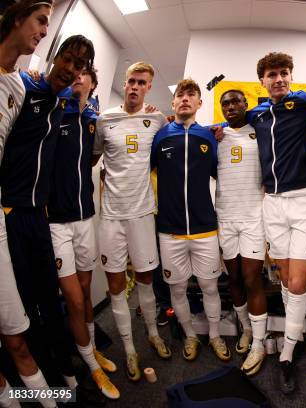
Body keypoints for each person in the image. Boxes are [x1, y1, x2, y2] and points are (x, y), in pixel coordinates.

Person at [0, 33, 94, 403]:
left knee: (50, 301)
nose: (70, 70)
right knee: (24, 310)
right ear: (54, 58)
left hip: (40, 217)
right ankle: (39, 384)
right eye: (67, 60)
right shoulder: (25, 90)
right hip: (10, 214)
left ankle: (66, 376)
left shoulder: (65, 105)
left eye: (79, 66)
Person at [247, 52, 306, 394]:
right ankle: (300, 325)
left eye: (284, 73)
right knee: (284, 276)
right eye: (272, 74)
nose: (279, 79)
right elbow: (230, 123)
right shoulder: (257, 113)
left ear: (291, 77)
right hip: (274, 204)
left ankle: (288, 353)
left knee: (297, 283)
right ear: (262, 82)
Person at [93, 62, 171, 382]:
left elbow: (169, 149)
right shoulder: (104, 119)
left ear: (148, 87)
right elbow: (94, 158)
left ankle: (153, 332)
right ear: (124, 84)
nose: (135, 87)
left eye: (142, 83)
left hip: (141, 215)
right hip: (111, 216)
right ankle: (129, 349)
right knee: (115, 287)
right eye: (131, 82)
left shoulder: (156, 119)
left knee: (146, 281)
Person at [47, 67, 119, 400]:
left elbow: (91, 160)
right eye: (72, 73)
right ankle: (90, 364)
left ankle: (91, 350)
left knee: (87, 290)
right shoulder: (54, 108)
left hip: (84, 217)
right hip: (55, 222)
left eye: (83, 74)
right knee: (74, 300)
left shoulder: (93, 119)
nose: (77, 78)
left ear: (92, 82)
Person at [151, 78, 230, 363]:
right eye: (180, 95)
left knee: (209, 287)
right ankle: (190, 336)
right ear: (173, 103)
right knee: (178, 288)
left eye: (191, 95)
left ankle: (215, 335)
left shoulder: (210, 136)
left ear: (199, 103)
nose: (185, 99)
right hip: (169, 230)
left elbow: (220, 176)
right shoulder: (159, 136)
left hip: (205, 228)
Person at [0, 1, 56, 406]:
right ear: (16, 16)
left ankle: (52, 400)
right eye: (40, 20)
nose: (43, 31)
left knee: (16, 335)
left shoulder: (20, 85)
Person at [217, 89, 268, 375]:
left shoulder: (258, 132)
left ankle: (259, 344)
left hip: (253, 219)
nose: (231, 106)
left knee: (252, 279)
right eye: (225, 103)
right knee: (233, 278)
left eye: (236, 101)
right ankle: (246, 329)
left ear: (246, 104)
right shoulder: (217, 137)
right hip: (226, 218)